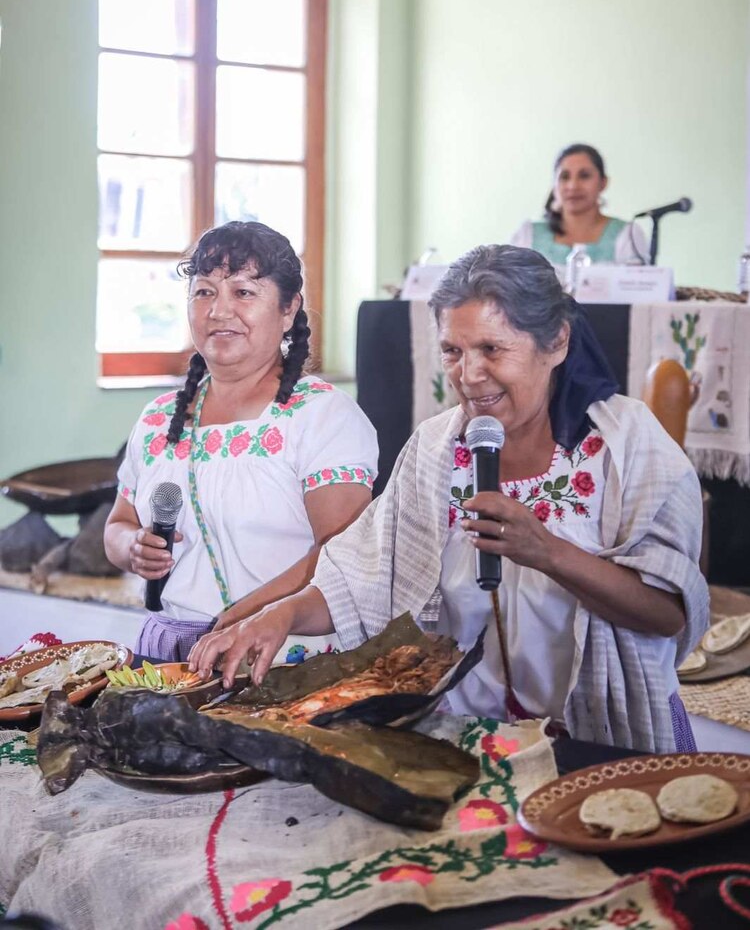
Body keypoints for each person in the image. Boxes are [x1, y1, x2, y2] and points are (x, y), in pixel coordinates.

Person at [190, 245, 710, 753]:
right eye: (452, 351)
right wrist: (278, 616)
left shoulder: (624, 444)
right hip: (469, 739)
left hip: (600, 741)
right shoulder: (437, 449)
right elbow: (359, 580)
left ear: (555, 343)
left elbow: (668, 615)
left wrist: (548, 551)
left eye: (492, 349)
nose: (469, 375)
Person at [104, 221, 378, 661]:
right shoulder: (158, 418)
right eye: (204, 291)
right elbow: (117, 525)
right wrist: (133, 548)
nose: (219, 310)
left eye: (244, 293)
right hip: (167, 656)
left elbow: (344, 555)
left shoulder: (322, 415)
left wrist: (244, 618)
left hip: (279, 658)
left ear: (289, 309)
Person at [511, 144, 648, 265]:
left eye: (584, 176)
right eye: (564, 177)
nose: (573, 186)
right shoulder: (527, 237)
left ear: (603, 182)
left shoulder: (627, 236)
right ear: (554, 185)